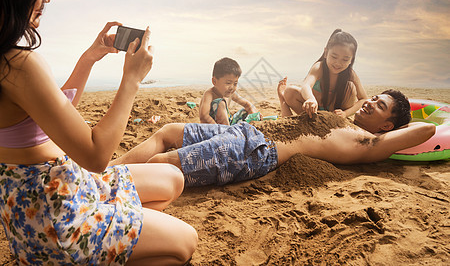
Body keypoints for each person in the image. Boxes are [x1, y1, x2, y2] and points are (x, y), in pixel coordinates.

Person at [0, 0, 197, 265]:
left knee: (172, 178)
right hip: (58, 218)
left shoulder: (7, 63)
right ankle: (102, 246)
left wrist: (89, 57)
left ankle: (119, 236)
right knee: (185, 243)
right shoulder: (19, 65)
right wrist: (132, 79)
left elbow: (50, 114)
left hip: (48, 197)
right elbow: (96, 154)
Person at [111, 89, 435, 187]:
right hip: (249, 131)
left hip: (256, 149)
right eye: (373, 97)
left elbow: (427, 130)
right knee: (167, 131)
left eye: (380, 106)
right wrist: (294, 100)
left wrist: (391, 131)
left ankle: (107, 189)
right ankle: (104, 169)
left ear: (386, 127)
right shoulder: (337, 118)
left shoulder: (367, 143)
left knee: (162, 162)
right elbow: (293, 108)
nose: (370, 102)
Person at [279, 29, 368, 118]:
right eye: (334, 57)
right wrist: (310, 98)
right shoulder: (319, 67)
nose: (338, 63)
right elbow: (306, 85)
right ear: (326, 53)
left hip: (335, 115)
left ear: (351, 60)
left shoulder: (350, 74)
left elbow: (363, 99)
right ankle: (309, 119)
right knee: (289, 92)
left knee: (351, 88)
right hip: (313, 111)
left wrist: (345, 113)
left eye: (345, 59)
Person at [199, 57, 258, 125]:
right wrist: (218, 128)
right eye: (228, 83)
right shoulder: (209, 94)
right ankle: (228, 131)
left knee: (246, 112)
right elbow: (204, 116)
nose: (232, 87)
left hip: (227, 125)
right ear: (214, 81)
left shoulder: (231, 93)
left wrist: (254, 115)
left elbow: (247, 104)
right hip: (212, 128)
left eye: (235, 83)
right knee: (220, 103)